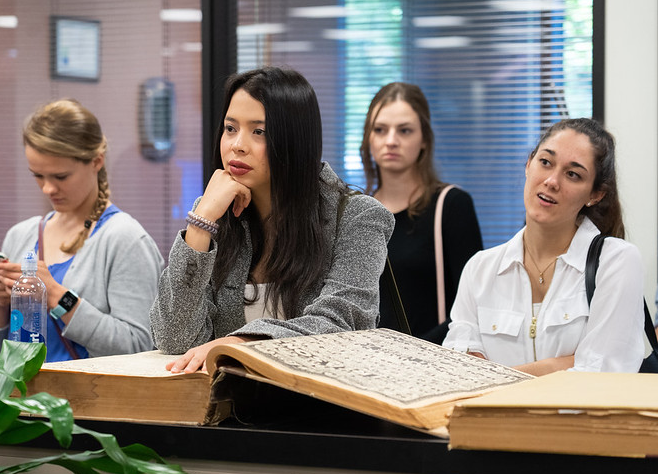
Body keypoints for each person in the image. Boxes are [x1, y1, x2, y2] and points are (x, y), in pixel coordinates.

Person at [150, 67, 395, 373]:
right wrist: (201, 221)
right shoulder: (216, 214)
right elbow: (174, 339)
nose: (237, 145)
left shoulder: (359, 217)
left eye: (259, 131)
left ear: (294, 141)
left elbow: (341, 322)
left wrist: (241, 344)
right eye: (230, 128)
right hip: (228, 409)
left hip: (322, 412)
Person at [443, 118, 644, 374]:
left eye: (573, 174)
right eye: (545, 162)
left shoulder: (616, 261)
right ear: (528, 164)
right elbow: (458, 373)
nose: (551, 181)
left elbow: (602, 375)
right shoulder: (480, 269)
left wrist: (496, 375)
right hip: (493, 416)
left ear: (595, 195)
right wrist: (561, 365)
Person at [0, 99, 163, 361]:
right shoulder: (21, 236)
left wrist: (56, 295)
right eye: (38, 176)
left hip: (89, 401)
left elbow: (138, 347)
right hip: (26, 400)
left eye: (61, 177)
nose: (48, 189)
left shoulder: (126, 240)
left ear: (96, 161)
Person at [359, 83, 482, 344]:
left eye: (404, 130)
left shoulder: (451, 205)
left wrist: (412, 352)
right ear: (368, 138)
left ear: (424, 138)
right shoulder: (357, 212)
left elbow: (472, 307)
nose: (391, 141)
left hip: (434, 363)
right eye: (380, 130)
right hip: (366, 364)